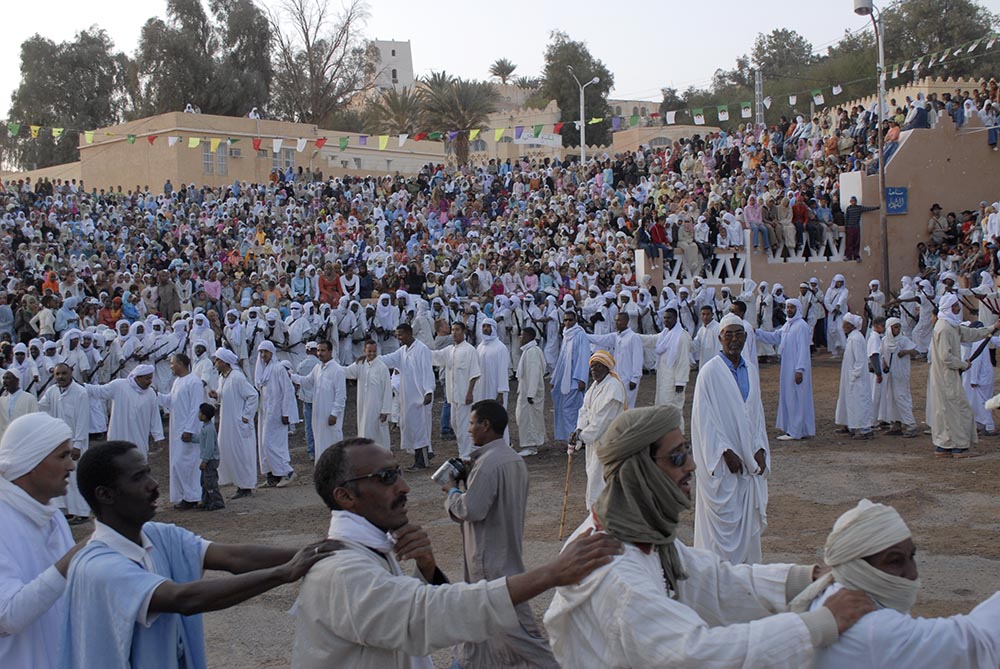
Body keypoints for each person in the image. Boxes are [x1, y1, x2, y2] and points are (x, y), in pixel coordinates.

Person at [543, 405, 876, 668]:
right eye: (677, 456)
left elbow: (712, 581)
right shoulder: (615, 571)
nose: (691, 465)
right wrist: (818, 625)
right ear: (640, 471)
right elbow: (695, 654)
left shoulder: (638, 533)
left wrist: (805, 579)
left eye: (687, 450)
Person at [290, 436, 622, 668]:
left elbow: (392, 615)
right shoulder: (341, 572)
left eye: (399, 472)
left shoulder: (371, 547)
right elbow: (425, 615)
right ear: (346, 497)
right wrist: (551, 573)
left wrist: (427, 569)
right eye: (387, 477)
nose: (404, 486)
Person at [60, 440, 338, 669]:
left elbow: (233, 558)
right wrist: (283, 573)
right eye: (138, 477)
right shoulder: (98, 567)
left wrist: (316, 552)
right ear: (105, 495)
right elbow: (183, 599)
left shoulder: (158, 536)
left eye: (148, 473)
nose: (153, 484)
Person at [792, 499, 1000, 669]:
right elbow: (976, 642)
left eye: (912, 557)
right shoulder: (873, 628)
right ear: (857, 567)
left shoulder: (827, 593)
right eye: (894, 561)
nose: (912, 573)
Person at [440, 401, 559, 668]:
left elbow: (472, 509)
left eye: (472, 423)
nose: (469, 429)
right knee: (475, 633)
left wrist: (451, 491)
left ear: (486, 425)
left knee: (519, 636)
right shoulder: (513, 459)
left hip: (489, 561)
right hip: (506, 552)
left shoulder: (488, 464)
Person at [0, 413, 83, 669]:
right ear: (31, 461)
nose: (71, 466)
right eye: (62, 456)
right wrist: (75, 558)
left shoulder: (52, 515)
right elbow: (7, 615)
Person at [691, 313, 770, 565]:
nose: (734, 339)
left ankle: (746, 575)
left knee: (746, 526)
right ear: (720, 338)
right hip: (724, 461)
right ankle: (717, 576)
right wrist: (725, 452)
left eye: (739, 334)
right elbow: (704, 419)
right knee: (722, 528)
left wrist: (760, 448)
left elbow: (756, 414)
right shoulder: (709, 372)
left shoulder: (751, 371)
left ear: (746, 337)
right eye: (729, 335)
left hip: (749, 459)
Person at [928, 293, 1000, 457]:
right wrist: (963, 364)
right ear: (948, 308)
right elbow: (946, 358)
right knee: (959, 410)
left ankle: (944, 445)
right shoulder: (944, 328)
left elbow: (970, 334)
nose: (957, 308)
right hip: (946, 377)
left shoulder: (951, 325)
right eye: (955, 306)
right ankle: (958, 446)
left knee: (946, 410)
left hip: (947, 376)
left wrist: (993, 328)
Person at [569, 350, 627, 510]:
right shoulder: (594, 387)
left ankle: (602, 513)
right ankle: (596, 513)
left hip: (608, 441)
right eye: (592, 367)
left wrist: (582, 436)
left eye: (598, 366)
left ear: (607, 368)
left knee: (600, 478)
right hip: (593, 440)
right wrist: (579, 429)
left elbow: (603, 420)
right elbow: (584, 410)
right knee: (593, 475)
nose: (594, 370)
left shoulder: (614, 388)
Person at [755, 298, 816, 441]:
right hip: (787, 367)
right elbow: (775, 337)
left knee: (796, 398)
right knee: (790, 397)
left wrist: (800, 370)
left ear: (797, 309)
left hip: (796, 368)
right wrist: (757, 333)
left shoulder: (801, 326)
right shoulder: (788, 325)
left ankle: (795, 431)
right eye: (787, 307)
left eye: (792, 307)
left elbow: (803, 350)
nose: (789, 310)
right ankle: (796, 429)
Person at [37, 363, 91, 523]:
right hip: (58, 442)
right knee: (61, 475)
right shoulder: (52, 391)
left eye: (64, 373)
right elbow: (41, 407)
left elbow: (83, 420)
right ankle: (67, 511)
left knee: (76, 477)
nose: (60, 377)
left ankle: (82, 512)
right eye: (57, 374)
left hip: (75, 443)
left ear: (71, 373)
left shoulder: (80, 393)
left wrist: (77, 445)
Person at [380, 323, 435, 470]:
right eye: (397, 335)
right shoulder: (403, 351)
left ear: (409, 333)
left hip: (421, 397)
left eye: (400, 335)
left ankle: (423, 461)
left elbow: (427, 371)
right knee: (412, 429)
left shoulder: (422, 349)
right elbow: (388, 359)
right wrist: (372, 359)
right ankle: (417, 460)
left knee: (421, 429)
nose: (398, 338)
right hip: (408, 398)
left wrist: (428, 391)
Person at [156, 353, 205, 509]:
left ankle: (192, 497)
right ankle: (184, 495)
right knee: (178, 464)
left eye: (172, 363)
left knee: (186, 464)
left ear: (181, 364)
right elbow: (171, 401)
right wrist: (156, 395)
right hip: (177, 430)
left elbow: (196, 408)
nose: (170, 366)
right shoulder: (177, 381)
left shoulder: (194, 382)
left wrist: (189, 429)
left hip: (188, 431)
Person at [209, 348, 259, 498]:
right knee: (228, 451)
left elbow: (253, 395)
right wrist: (217, 395)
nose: (215, 363)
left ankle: (246, 486)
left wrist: (246, 416)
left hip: (239, 423)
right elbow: (224, 394)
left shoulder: (237, 377)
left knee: (242, 454)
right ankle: (238, 483)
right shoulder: (222, 378)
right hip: (227, 422)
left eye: (217, 360)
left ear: (225, 362)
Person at [84, 364, 164, 453]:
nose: (150, 382)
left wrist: (158, 436)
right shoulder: (119, 385)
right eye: (147, 378)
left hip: (139, 438)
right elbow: (99, 391)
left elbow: (155, 417)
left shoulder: (151, 394)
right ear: (138, 378)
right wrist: (83, 387)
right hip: (118, 437)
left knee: (138, 458)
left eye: (151, 378)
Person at [430, 322, 481, 459]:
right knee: (455, 424)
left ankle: (466, 455)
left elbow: (474, 374)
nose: (454, 332)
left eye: (457, 330)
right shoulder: (449, 350)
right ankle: (469, 450)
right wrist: (419, 350)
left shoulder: (470, 350)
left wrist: (470, 392)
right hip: (453, 396)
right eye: (452, 330)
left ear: (463, 331)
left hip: (465, 396)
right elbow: (434, 356)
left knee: (464, 426)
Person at [290, 340, 347, 462]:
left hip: (330, 416)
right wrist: (291, 376)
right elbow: (307, 382)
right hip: (318, 415)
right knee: (320, 442)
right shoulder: (317, 368)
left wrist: (334, 414)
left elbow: (341, 396)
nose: (320, 353)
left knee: (333, 443)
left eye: (323, 350)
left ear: (330, 352)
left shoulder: (338, 370)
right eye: (318, 350)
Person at [254, 341, 299, 487]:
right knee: (263, 444)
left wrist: (287, 413)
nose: (263, 355)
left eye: (265, 352)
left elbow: (288, 391)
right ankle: (272, 476)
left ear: (272, 352)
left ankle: (287, 472)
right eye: (261, 352)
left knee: (272, 444)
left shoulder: (278, 369)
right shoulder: (263, 371)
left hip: (277, 413)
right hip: (265, 413)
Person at [343, 340, 393, 450]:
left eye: (374, 351)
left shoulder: (382, 367)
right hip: (363, 407)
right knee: (364, 432)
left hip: (377, 409)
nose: (372, 354)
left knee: (379, 436)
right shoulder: (360, 364)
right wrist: (332, 366)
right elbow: (346, 372)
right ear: (364, 350)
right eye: (369, 351)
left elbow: (387, 390)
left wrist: (385, 410)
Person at [551, 311, 593, 445]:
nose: (567, 323)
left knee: (571, 410)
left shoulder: (580, 335)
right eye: (565, 320)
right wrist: (555, 379)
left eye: (570, 320)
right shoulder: (566, 335)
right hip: (564, 379)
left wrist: (582, 379)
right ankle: (569, 437)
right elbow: (562, 359)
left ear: (575, 320)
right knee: (564, 409)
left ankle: (576, 439)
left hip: (575, 381)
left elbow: (584, 357)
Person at [587, 312, 643, 410]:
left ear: (626, 321)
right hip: (617, 377)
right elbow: (600, 339)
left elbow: (638, 359)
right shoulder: (616, 336)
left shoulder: (634, 337)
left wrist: (635, 379)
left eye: (619, 320)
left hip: (629, 379)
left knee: (627, 405)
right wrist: (583, 335)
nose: (616, 323)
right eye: (616, 320)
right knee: (616, 405)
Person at [646, 307, 691, 428]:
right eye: (665, 318)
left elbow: (683, 361)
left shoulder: (681, 336)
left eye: (669, 318)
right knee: (662, 406)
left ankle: (678, 434)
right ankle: (665, 434)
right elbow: (651, 339)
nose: (666, 320)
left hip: (674, 381)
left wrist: (680, 382)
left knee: (674, 409)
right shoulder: (665, 334)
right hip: (664, 378)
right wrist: (634, 336)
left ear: (676, 318)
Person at [835, 314, 876, 439]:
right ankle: (851, 425)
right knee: (850, 401)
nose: (843, 326)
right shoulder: (852, 337)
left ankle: (864, 429)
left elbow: (860, 361)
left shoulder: (856, 339)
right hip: (849, 377)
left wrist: (854, 375)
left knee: (859, 402)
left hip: (856, 378)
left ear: (851, 326)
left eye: (845, 324)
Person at [879, 317, 920, 437]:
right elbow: (882, 354)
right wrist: (884, 364)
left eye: (898, 327)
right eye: (895, 327)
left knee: (901, 397)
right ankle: (895, 424)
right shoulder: (885, 340)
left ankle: (910, 424)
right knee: (891, 398)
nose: (897, 329)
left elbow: (916, 351)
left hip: (901, 374)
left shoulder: (903, 340)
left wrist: (906, 352)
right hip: (890, 375)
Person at [514, 327, 546, 457]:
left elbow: (534, 373)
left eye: (522, 335)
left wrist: (531, 394)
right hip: (525, 390)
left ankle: (531, 446)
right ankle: (531, 443)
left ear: (528, 337)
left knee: (530, 419)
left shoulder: (532, 352)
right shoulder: (528, 350)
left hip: (530, 393)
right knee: (523, 417)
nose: (520, 338)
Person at [197, 403, 224, 511]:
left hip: (210, 460)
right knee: (204, 482)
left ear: (204, 416)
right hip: (209, 459)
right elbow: (201, 439)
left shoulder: (209, 429)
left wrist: (205, 461)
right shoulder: (206, 427)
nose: (198, 415)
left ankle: (217, 502)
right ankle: (206, 501)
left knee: (210, 482)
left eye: (200, 413)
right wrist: (191, 439)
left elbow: (209, 447)